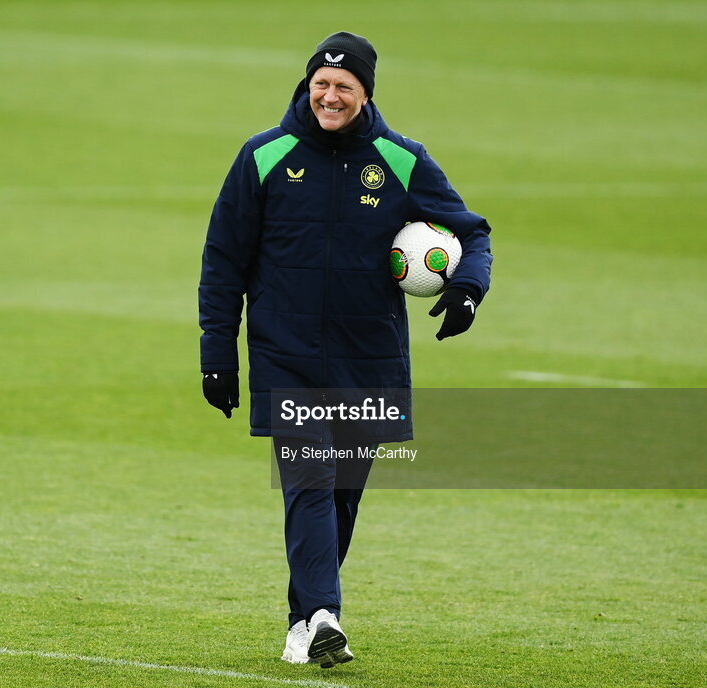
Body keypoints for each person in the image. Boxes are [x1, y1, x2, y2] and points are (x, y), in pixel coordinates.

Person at [199, 31, 492, 668]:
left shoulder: (402, 160)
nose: (330, 96)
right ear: (308, 87)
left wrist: (467, 291)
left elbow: (472, 232)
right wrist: (216, 352)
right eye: (321, 85)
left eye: (344, 88)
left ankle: (303, 622)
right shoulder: (263, 157)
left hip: (369, 360)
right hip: (287, 357)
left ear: (365, 94)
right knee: (310, 481)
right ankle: (327, 613)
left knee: (342, 497)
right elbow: (223, 259)